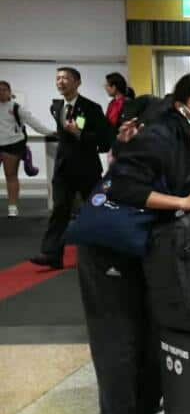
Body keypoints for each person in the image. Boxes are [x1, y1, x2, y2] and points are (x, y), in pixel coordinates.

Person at [78, 72, 190, 414]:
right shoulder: (159, 137)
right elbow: (125, 187)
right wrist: (183, 202)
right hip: (109, 245)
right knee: (117, 333)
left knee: (147, 328)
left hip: (147, 249)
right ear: (181, 107)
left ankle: (144, 409)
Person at [31, 67, 112, 269]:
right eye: (58, 78)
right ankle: (51, 254)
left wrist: (80, 134)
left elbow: (104, 140)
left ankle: (107, 251)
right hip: (63, 169)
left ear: (77, 82)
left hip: (86, 169)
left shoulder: (91, 108)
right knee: (60, 210)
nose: (61, 82)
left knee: (95, 210)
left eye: (66, 78)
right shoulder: (57, 107)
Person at [1, 80, 56, 218]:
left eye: (4, 89)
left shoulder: (16, 108)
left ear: (9, 92)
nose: (1, 92)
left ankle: (12, 207)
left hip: (12, 144)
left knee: (11, 175)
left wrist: (49, 132)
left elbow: (33, 122)